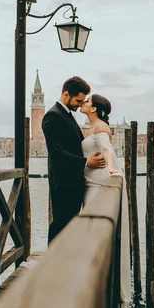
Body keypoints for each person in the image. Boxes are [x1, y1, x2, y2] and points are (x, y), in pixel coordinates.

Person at [79, 93, 130, 308]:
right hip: (89, 183)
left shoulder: (100, 127)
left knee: (93, 227)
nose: (83, 104)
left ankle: (96, 278)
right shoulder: (88, 127)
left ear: (95, 108)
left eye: (86, 101)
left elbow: (108, 150)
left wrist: (111, 170)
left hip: (98, 184)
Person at [42, 76, 105, 244]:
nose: (80, 104)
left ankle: (62, 262)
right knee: (60, 226)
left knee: (69, 226)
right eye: (78, 100)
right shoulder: (53, 116)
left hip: (72, 182)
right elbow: (56, 152)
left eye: (83, 101)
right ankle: (53, 263)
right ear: (66, 95)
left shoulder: (66, 114)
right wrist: (85, 163)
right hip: (63, 183)